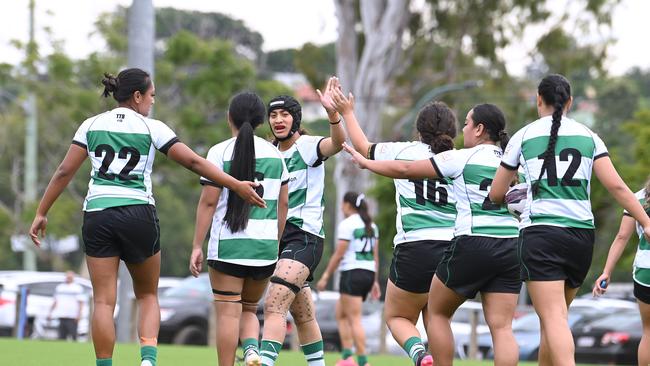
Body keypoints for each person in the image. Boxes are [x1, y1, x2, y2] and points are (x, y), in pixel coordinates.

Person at [29, 68, 265, 366]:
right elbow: (193, 161)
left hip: (98, 214)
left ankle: (105, 364)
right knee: (147, 295)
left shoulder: (90, 125)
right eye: (151, 95)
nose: (152, 102)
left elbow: (64, 171)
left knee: (103, 300)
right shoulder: (152, 127)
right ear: (137, 96)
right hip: (138, 213)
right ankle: (148, 361)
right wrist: (235, 184)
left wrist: (41, 211)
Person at [488, 74, 650, 366]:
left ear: (539, 100)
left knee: (554, 318)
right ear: (570, 102)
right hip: (580, 238)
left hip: (541, 235)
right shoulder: (590, 136)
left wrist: (518, 194)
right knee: (553, 320)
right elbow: (617, 187)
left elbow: (497, 193)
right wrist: (646, 221)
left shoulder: (523, 136)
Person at [343, 103, 522, 366]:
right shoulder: (508, 161)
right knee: (501, 327)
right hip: (499, 245)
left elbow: (383, 157)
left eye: (468, 123)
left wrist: (347, 116)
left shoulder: (452, 158)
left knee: (410, 316)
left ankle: (419, 353)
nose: (464, 128)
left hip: (428, 246)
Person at [330, 85, 457, 366]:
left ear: (418, 130)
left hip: (415, 247)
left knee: (397, 316)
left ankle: (418, 353)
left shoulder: (403, 152)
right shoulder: (459, 159)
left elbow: (363, 148)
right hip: (452, 250)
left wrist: (348, 112)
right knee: (438, 318)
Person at [188, 92, 289, 366]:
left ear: (229, 117)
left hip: (228, 248)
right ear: (260, 121)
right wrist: (275, 244)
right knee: (248, 309)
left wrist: (197, 245)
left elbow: (208, 202)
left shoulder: (219, 152)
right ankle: (252, 351)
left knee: (228, 313)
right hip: (264, 250)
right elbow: (283, 204)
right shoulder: (276, 156)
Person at [260, 77, 346, 366]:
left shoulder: (307, 147)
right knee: (302, 314)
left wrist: (333, 114)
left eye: (284, 114)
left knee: (274, 303)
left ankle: (263, 362)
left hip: (304, 237)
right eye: (273, 115)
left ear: (295, 119)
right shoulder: (269, 153)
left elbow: (337, 143)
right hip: (277, 237)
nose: (278, 120)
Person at [316, 192, 381, 366]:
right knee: (340, 313)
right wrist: (374, 281)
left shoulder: (347, 224)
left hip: (352, 273)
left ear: (347, 205)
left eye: (342, 204)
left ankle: (362, 361)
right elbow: (375, 257)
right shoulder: (372, 225)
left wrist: (325, 276)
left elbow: (339, 255)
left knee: (354, 318)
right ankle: (347, 357)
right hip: (366, 274)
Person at [593, 180, 650, 366]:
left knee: (648, 332)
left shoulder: (638, 198)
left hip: (644, 272)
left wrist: (606, 272)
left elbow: (622, 237)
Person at [48, 271, 85, 341]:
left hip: (72, 316)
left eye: (70, 277)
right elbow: (56, 301)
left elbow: (81, 303)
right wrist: (50, 312)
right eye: (67, 277)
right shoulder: (60, 287)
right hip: (61, 315)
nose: (68, 278)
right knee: (61, 337)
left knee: (73, 336)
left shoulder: (77, 288)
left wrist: (79, 314)